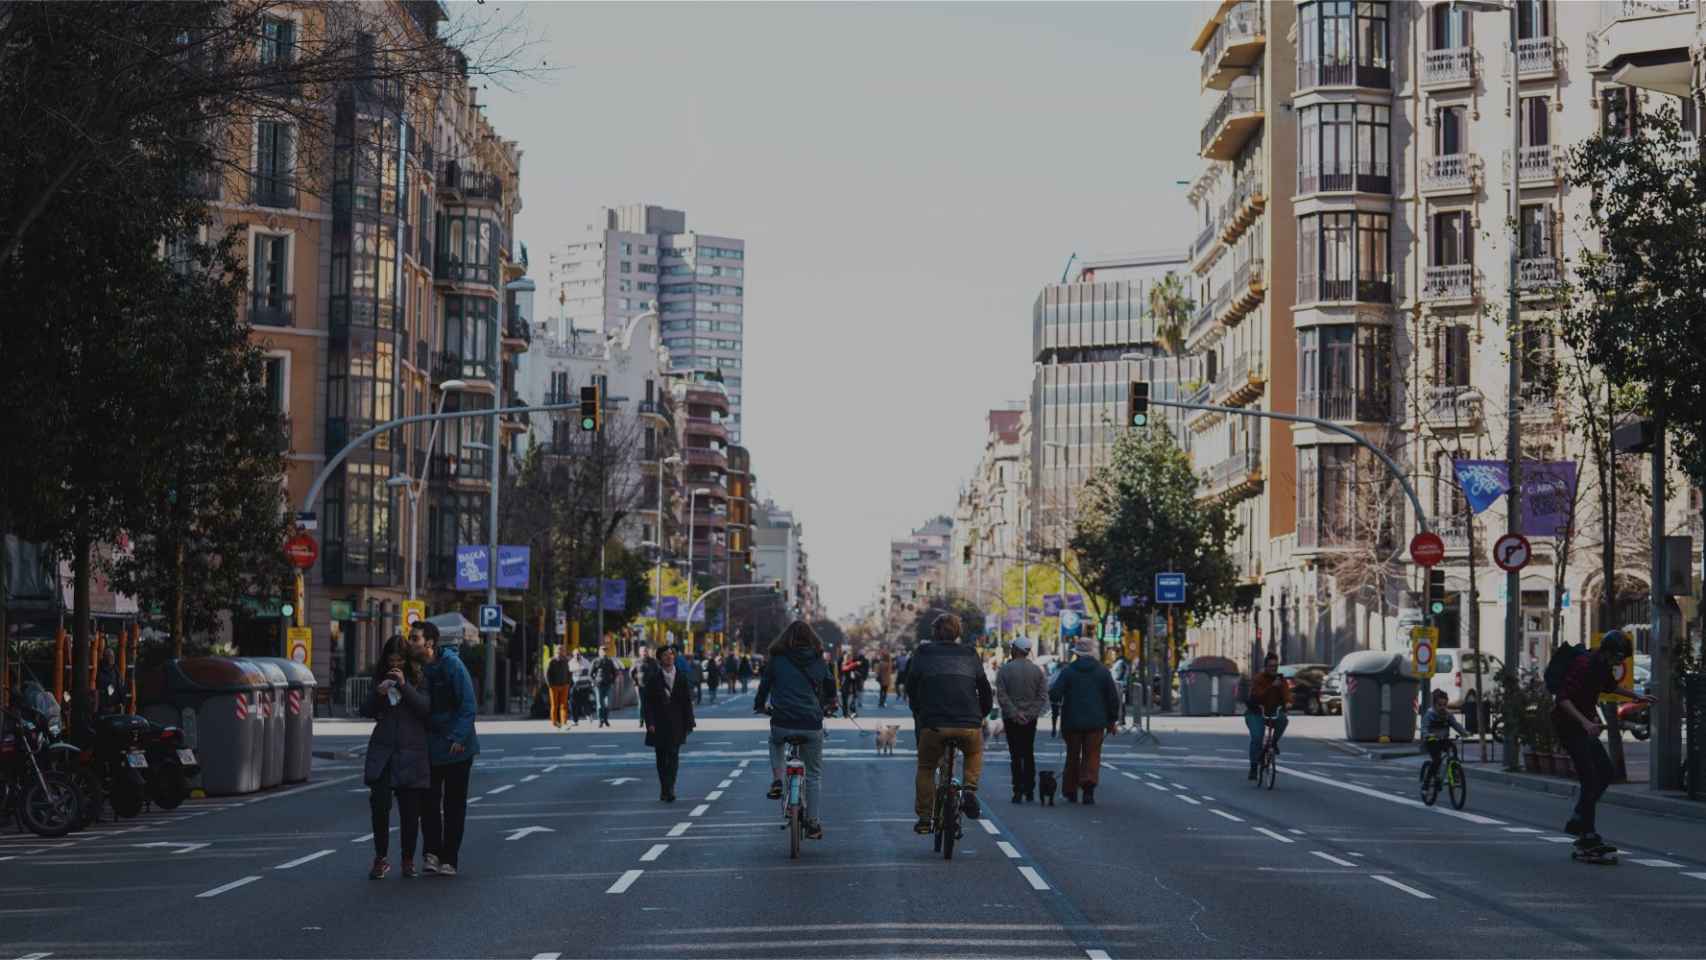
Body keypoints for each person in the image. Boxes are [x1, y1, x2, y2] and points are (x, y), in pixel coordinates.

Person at [1554, 630, 1649, 852]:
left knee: (1605, 772)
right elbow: (1563, 699)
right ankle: (1587, 834)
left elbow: (1609, 687)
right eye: (1618, 657)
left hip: (1585, 727)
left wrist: (1636, 697)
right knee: (1589, 777)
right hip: (1568, 726)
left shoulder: (1602, 665)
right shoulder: (1584, 664)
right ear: (1608, 652)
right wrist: (1586, 724)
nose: (1619, 662)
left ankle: (1579, 817)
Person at [904, 614, 994, 833]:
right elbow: (984, 689)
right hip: (968, 723)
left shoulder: (923, 653)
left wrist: (919, 711)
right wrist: (980, 714)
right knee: (974, 753)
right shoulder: (970, 654)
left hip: (933, 723)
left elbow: (911, 686)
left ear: (935, 633)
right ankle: (970, 788)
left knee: (926, 767)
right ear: (958, 633)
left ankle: (925, 818)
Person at [754, 621, 838, 839]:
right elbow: (830, 684)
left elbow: (764, 686)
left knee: (775, 741)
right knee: (813, 775)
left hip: (781, 720)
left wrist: (760, 705)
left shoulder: (777, 659)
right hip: (810, 723)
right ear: (811, 638)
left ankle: (778, 780)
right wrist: (831, 703)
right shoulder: (817, 659)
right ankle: (813, 822)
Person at [361, 635, 431, 879]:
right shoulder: (380, 679)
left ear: (408, 661)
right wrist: (379, 693)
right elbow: (366, 710)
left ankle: (408, 859)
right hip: (384, 752)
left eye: (400, 661)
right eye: (391, 661)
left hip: (412, 752)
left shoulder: (420, 678)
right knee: (379, 806)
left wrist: (403, 685)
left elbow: (424, 708)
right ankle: (381, 858)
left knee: (410, 812)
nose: (395, 666)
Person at [413, 620, 479, 877]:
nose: (411, 642)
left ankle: (449, 858)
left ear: (429, 642)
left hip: (456, 749)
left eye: (415, 638)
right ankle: (431, 853)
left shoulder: (452, 665)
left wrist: (458, 738)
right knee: (428, 803)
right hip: (429, 747)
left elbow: (468, 705)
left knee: (454, 805)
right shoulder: (415, 668)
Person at [1049, 637, 1120, 804]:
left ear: (1077, 654)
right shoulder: (1103, 671)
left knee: (1072, 755)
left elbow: (1055, 694)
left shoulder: (1067, 671)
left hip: (1072, 722)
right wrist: (1112, 720)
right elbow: (1112, 698)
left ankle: (1070, 790)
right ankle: (1088, 789)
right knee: (1092, 755)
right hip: (1096, 722)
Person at [996, 637, 1048, 803]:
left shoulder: (1004, 670)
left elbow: (1002, 695)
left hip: (1011, 718)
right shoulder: (1037, 671)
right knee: (1028, 752)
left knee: (1015, 755)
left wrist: (1014, 713)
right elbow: (1042, 696)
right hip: (1030, 719)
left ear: (1016, 650)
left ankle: (1017, 790)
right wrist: (1030, 713)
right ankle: (1030, 789)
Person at [642, 645, 696, 802]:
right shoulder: (653, 678)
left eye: (671, 654)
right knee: (661, 757)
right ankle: (664, 787)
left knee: (673, 755)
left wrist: (690, 722)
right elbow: (648, 703)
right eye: (666, 655)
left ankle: (670, 787)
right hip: (658, 723)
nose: (670, 657)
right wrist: (649, 722)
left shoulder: (681, 677)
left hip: (676, 723)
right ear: (660, 659)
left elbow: (687, 701)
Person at [1245, 652, 1290, 781]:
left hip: (1272, 712)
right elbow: (1258, 696)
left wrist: (1288, 702)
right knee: (1257, 737)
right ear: (1266, 666)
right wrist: (1272, 687)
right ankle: (1254, 767)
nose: (1273, 669)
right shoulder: (1258, 679)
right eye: (1271, 666)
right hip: (1256, 712)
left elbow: (1286, 693)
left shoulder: (1280, 679)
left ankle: (1274, 742)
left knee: (1283, 720)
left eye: (1276, 666)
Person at [1420, 688, 1469, 776]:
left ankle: (1455, 772)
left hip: (1443, 740)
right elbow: (1424, 728)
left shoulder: (1447, 715)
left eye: (1445, 705)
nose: (1443, 707)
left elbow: (1455, 724)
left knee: (1453, 749)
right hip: (1432, 741)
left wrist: (1464, 732)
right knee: (1437, 760)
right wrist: (1427, 735)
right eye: (1440, 705)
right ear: (1434, 705)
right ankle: (1426, 784)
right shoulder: (1429, 715)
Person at [96, 648, 128, 715]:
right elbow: (104, 688)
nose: (112, 658)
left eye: (113, 656)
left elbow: (120, 687)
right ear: (105, 657)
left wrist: (123, 703)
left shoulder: (116, 670)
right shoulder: (99, 671)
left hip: (117, 707)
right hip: (105, 708)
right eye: (110, 656)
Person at [545, 647, 571, 729]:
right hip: (554, 686)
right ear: (556, 652)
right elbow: (547, 674)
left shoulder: (566, 661)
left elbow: (569, 672)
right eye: (560, 651)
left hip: (564, 685)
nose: (562, 652)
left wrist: (568, 683)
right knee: (554, 705)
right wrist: (550, 684)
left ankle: (564, 723)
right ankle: (555, 722)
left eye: (563, 651)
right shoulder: (551, 661)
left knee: (564, 705)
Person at [593, 648, 619, 727]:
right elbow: (590, 674)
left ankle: (606, 719)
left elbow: (614, 673)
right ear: (599, 652)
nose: (604, 652)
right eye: (602, 651)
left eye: (605, 651)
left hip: (608, 685)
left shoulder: (609, 661)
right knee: (600, 704)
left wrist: (612, 681)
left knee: (607, 704)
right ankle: (600, 720)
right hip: (599, 685)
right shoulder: (596, 661)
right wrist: (594, 682)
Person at [839, 649, 862, 717]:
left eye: (851, 657)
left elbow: (857, 673)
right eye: (848, 658)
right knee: (845, 699)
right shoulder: (844, 664)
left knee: (852, 699)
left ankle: (851, 712)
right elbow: (845, 668)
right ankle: (846, 713)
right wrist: (854, 664)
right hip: (845, 684)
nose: (850, 659)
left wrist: (856, 674)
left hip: (852, 684)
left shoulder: (853, 665)